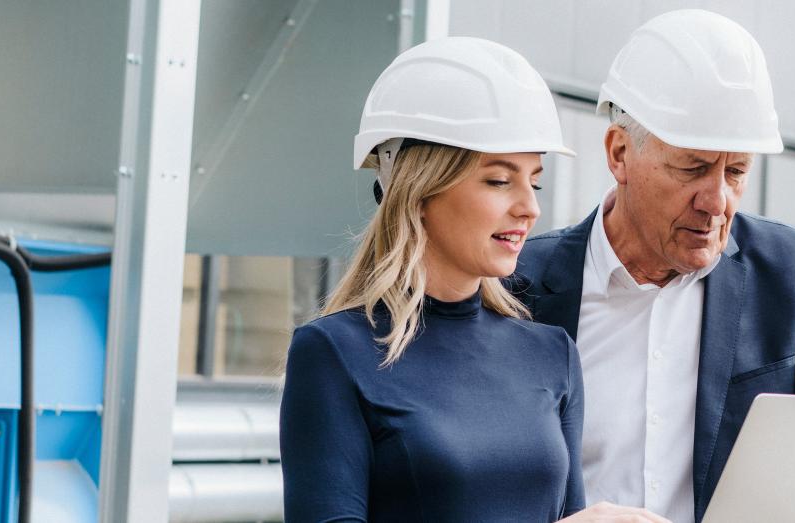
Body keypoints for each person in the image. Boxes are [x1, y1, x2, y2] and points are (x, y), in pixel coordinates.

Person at [510, 10, 795, 523]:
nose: (717, 202)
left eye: (736, 172)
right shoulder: (517, 284)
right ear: (619, 153)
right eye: (692, 168)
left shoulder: (788, 273)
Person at [280, 37, 667, 523]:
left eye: (535, 180)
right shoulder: (336, 354)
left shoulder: (552, 355)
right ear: (420, 190)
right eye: (500, 180)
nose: (530, 207)